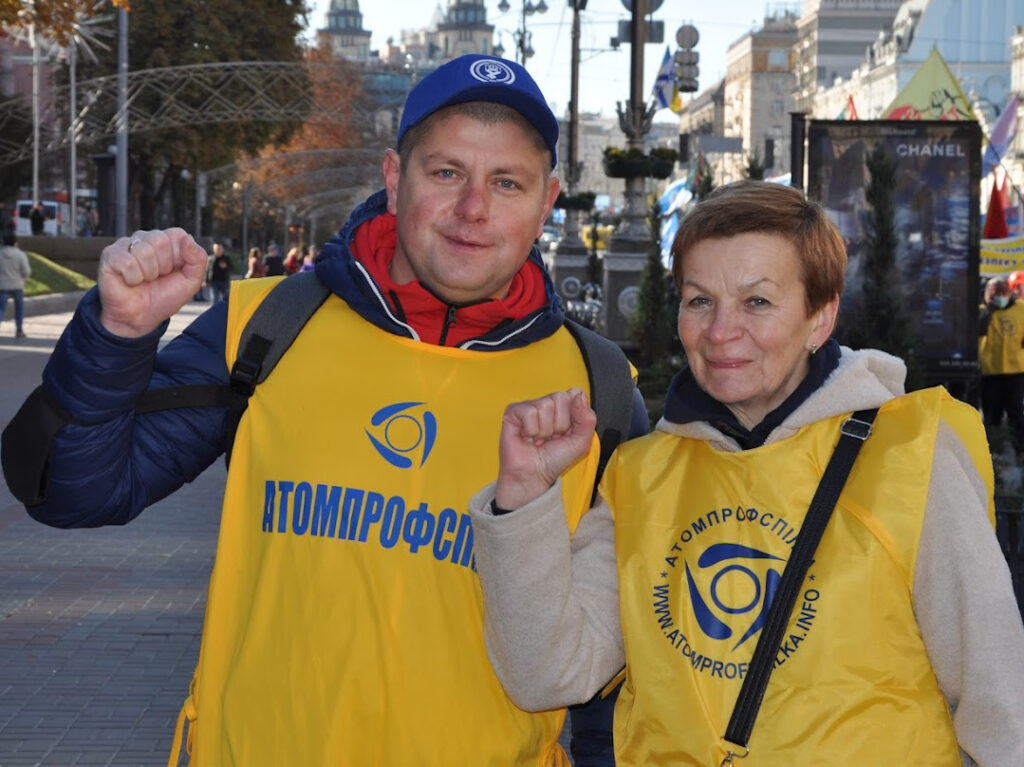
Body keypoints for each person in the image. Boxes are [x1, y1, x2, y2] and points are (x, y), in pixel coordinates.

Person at [1, 54, 646, 765]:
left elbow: (616, 679)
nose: (473, 209)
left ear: (547, 201)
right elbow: (73, 491)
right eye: (445, 173)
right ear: (394, 178)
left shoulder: (598, 389)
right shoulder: (268, 326)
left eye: (506, 183)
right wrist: (116, 335)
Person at [469, 181, 1024, 765]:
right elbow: (549, 675)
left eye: (757, 301)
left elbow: (1000, 701)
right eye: (699, 300)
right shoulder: (641, 478)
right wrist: (524, 499)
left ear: (820, 317)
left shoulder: (909, 455)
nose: (720, 331)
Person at [978, 275, 1024, 452]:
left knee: (1016, 413)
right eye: (994, 293)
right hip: (991, 372)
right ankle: (992, 452)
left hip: (1016, 370)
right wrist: (989, 309)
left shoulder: (1020, 308)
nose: (999, 297)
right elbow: (979, 330)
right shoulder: (983, 311)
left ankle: (1019, 451)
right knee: (991, 415)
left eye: (1002, 292)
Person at [0, 232, 31, 337]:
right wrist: (23, 279)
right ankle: (19, 330)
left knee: (1, 308)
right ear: (15, 242)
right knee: (19, 309)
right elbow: (26, 271)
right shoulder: (20, 255)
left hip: (3, 285)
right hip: (18, 285)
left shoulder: (1, 254)